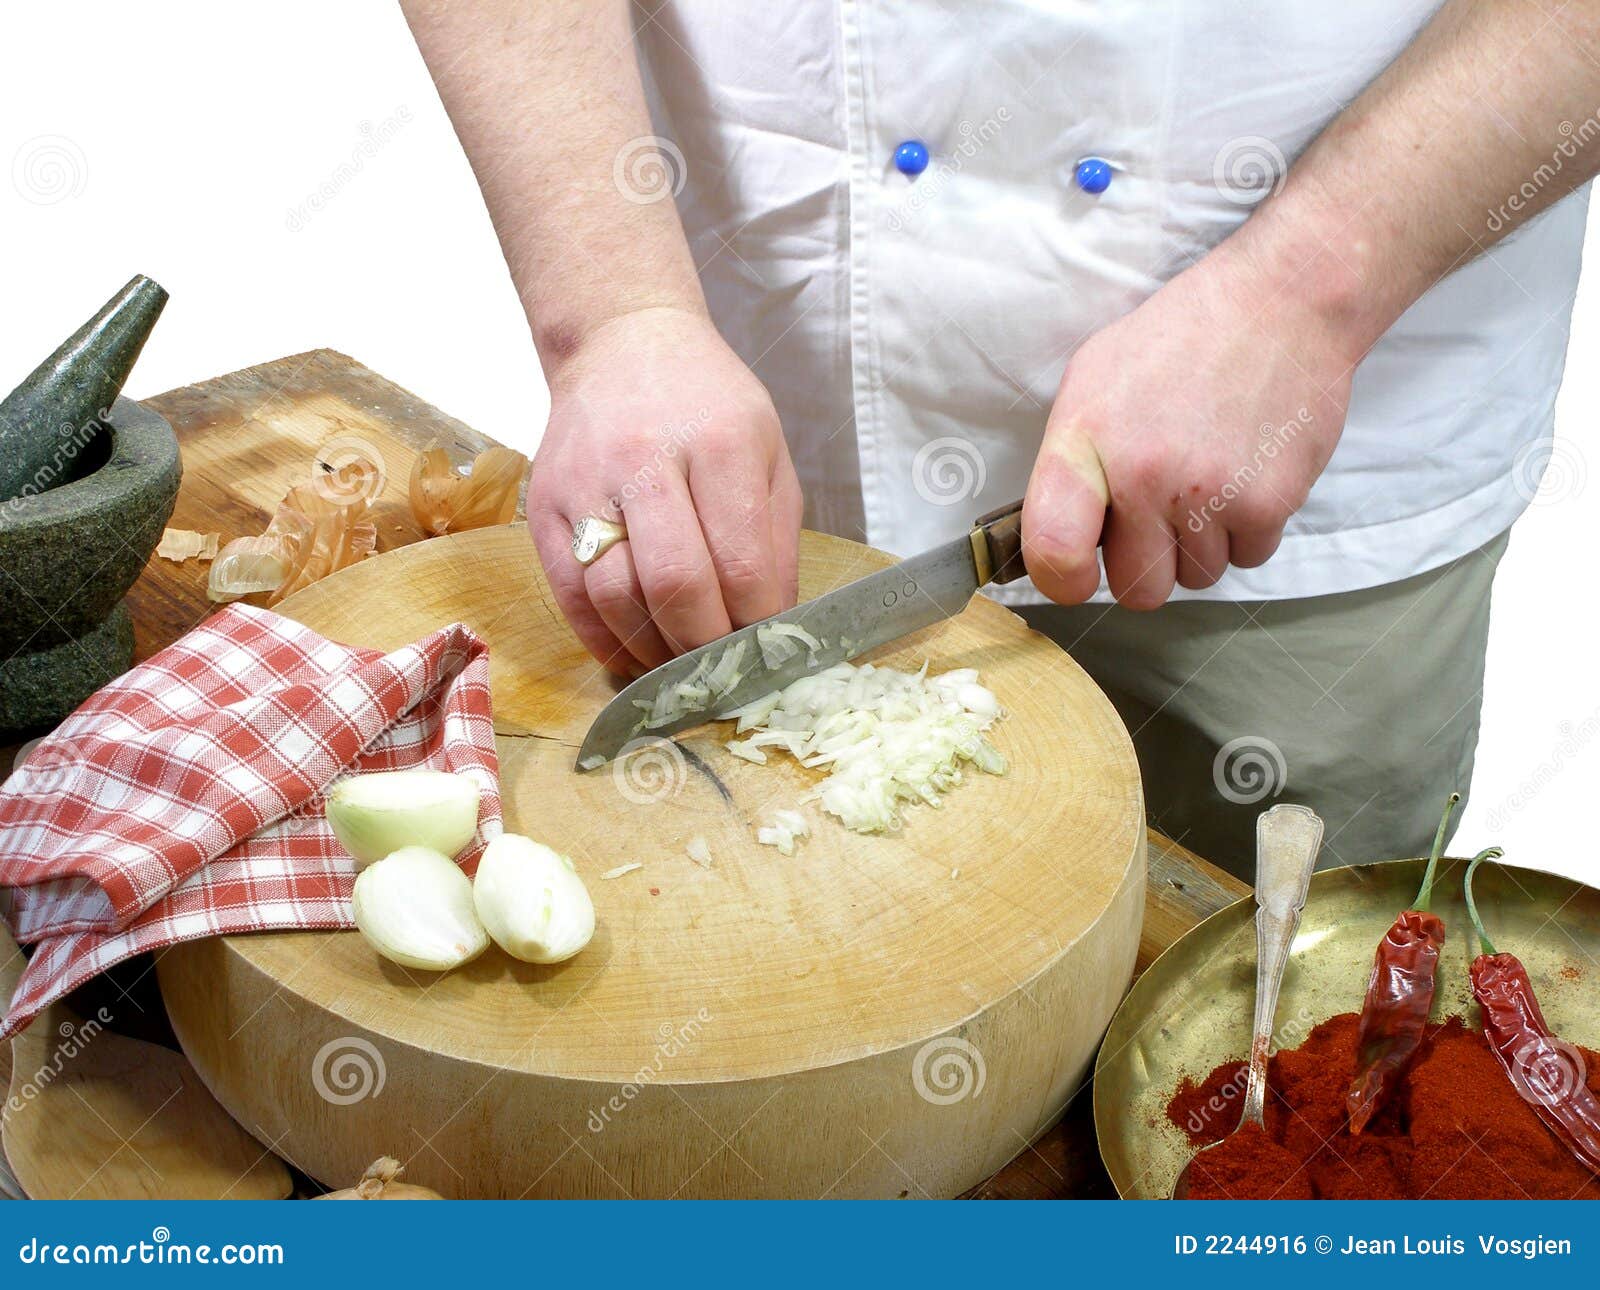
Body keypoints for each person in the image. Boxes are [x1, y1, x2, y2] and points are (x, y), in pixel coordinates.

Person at [400, 0, 1600, 876]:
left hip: (1313, 463)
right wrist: (614, 313)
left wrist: (1313, 285)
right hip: (750, 384)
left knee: (1267, 1047)